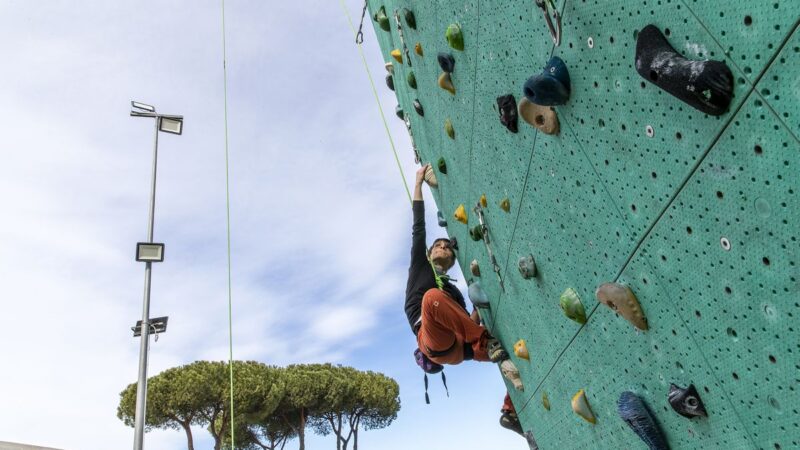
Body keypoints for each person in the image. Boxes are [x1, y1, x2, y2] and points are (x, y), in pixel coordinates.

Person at [405, 164, 523, 435]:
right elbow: (418, 228)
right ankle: (487, 342)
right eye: (438, 245)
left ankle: (510, 412)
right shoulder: (420, 269)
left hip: (460, 349)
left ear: (451, 259)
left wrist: (480, 308)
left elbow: (466, 322)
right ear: (429, 253)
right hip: (431, 339)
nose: (442, 246)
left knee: (515, 354)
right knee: (432, 299)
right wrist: (418, 184)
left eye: (447, 246)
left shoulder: (455, 292)